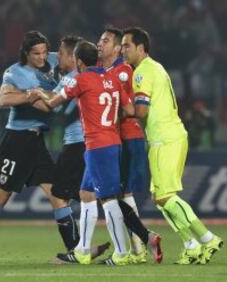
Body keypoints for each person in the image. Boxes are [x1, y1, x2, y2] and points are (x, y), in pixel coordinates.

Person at [35, 41, 146, 266]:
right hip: (113, 142)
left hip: (97, 145)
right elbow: (129, 110)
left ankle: (122, 254)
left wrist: (35, 92)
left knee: (108, 199)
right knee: (86, 193)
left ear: (78, 61)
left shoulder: (80, 79)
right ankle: (83, 251)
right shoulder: (113, 78)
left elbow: (52, 104)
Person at [121, 27, 223, 265]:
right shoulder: (156, 67)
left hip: (164, 138)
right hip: (170, 135)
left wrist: (117, 112)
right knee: (160, 197)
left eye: (127, 46)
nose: (123, 50)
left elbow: (141, 110)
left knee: (166, 196)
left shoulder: (142, 72)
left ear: (140, 47)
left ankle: (208, 238)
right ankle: (191, 245)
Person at [0, 31, 61, 264]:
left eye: (43, 52)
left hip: (37, 141)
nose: (41, 58)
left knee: (57, 194)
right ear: (26, 54)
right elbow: (4, 99)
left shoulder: (56, 59)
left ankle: (76, 251)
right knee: (0, 195)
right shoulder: (15, 72)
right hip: (16, 140)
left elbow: (76, 55)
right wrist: (31, 94)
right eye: (35, 54)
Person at [97, 26, 161, 264]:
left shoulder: (123, 71)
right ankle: (138, 247)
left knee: (119, 193)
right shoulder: (114, 70)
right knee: (122, 193)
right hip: (122, 138)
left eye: (125, 45)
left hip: (128, 137)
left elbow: (131, 108)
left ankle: (139, 246)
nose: (124, 50)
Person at [48, 35, 110, 259]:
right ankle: (139, 237)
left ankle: (76, 249)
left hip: (76, 145)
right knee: (98, 195)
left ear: (75, 59)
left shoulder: (72, 80)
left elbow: (52, 107)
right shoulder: (97, 78)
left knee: (58, 195)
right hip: (96, 143)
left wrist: (30, 94)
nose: (59, 57)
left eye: (62, 53)